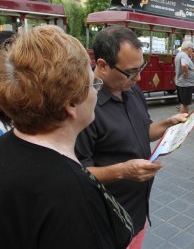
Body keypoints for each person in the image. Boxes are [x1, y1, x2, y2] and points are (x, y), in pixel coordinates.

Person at [0, 25, 134, 248]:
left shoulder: (7, 147)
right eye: (93, 83)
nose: (96, 90)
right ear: (71, 103)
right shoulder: (73, 196)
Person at [75, 26, 187, 248]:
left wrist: (167, 124)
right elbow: (77, 173)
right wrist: (122, 171)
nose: (139, 77)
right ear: (103, 65)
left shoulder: (132, 90)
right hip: (106, 220)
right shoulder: (84, 105)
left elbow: (142, 130)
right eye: (131, 72)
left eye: (141, 67)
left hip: (137, 211)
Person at [175, 41, 194, 114]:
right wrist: (186, 72)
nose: (192, 50)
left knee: (183, 104)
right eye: (191, 48)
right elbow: (184, 65)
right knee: (185, 105)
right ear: (188, 48)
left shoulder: (180, 54)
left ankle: (182, 121)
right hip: (186, 84)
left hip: (182, 83)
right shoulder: (183, 55)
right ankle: (184, 121)